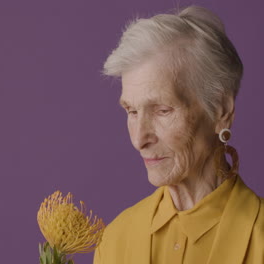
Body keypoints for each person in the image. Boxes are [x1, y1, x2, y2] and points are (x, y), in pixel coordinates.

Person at [93, 5, 264, 264]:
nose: (139, 140)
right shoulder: (115, 239)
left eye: (162, 110)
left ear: (221, 110)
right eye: (132, 111)